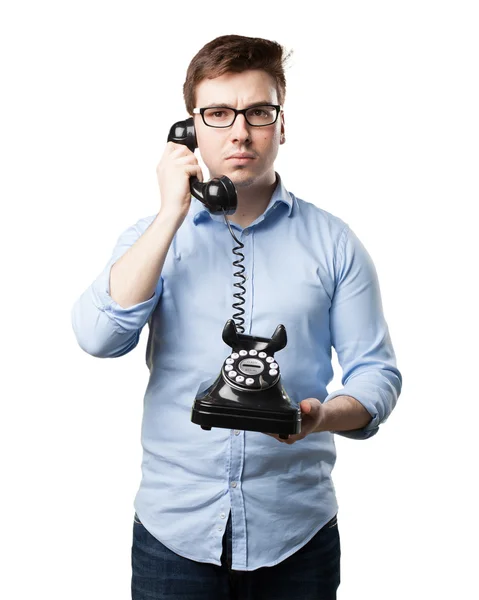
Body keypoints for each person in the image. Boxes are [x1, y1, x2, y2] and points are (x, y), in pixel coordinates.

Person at [71, 34, 402, 600]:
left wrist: (320, 419)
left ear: (282, 123)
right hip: (174, 534)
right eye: (219, 114)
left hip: (297, 535)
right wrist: (171, 213)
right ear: (190, 129)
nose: (240, 131)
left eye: (258, 112)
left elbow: (377, 376)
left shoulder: (335, 244)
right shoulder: (154, 240)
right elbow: (98, 337)